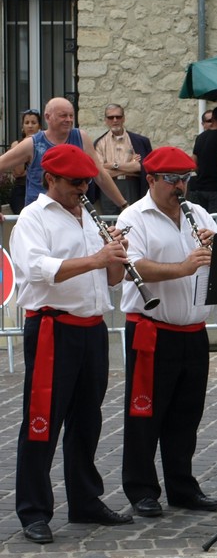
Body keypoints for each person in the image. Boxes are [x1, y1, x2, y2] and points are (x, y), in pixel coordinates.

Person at [11, 144, 134, 544]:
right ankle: (34, 510)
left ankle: (85, 500)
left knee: (87, 420)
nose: (83, 188)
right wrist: (98, 258)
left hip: (92, 328)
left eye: (87, 182)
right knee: (42, 421)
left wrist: (116, 255)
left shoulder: (88, 217)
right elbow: (38, 270)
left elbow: (112, 279)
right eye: (74, 182)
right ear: (51, 179)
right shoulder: (33, 218)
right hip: (53, 328)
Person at [116, 147, 217, 518]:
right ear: (151, 180)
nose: (180, 186)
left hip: (193, 329)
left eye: (186, 179)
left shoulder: (201, 215)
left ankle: (182, 486)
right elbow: (134, 265)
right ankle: (141, 489)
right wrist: (184, 266)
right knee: (145, 413)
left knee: (186, 415)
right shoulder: (134, 216)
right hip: (151, 329)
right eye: (173, 179)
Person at [0, 97, 129, 210]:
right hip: (41, 214)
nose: (68, 120)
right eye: (63, 115)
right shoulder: (32, 144)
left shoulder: (81, 137)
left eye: (71, 115)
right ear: (47, 117)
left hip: (72, 211)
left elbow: (99, 174)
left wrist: (123, 205)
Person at [94, 104, 153, 214]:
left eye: (118, 117)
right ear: (106, 120)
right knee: (110, 224)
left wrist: (112, 165)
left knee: (133, 219)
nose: (115, 120)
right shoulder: (99, 143)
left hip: (131, 186)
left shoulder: (139, 141)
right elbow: (100, 172)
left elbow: (141, 166)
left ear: (124, 118)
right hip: (108, 187)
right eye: (111, 118)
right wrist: (129, 166)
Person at [9, 108, 42, 214]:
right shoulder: (16, 144)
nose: (30, 126)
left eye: (34, 122)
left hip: (40, 190)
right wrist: (25, 144)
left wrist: (28, 171)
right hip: (21, 190)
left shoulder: (44, 144)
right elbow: (18, 172)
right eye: (27, 123)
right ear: (22, 127)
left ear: (39, 126)